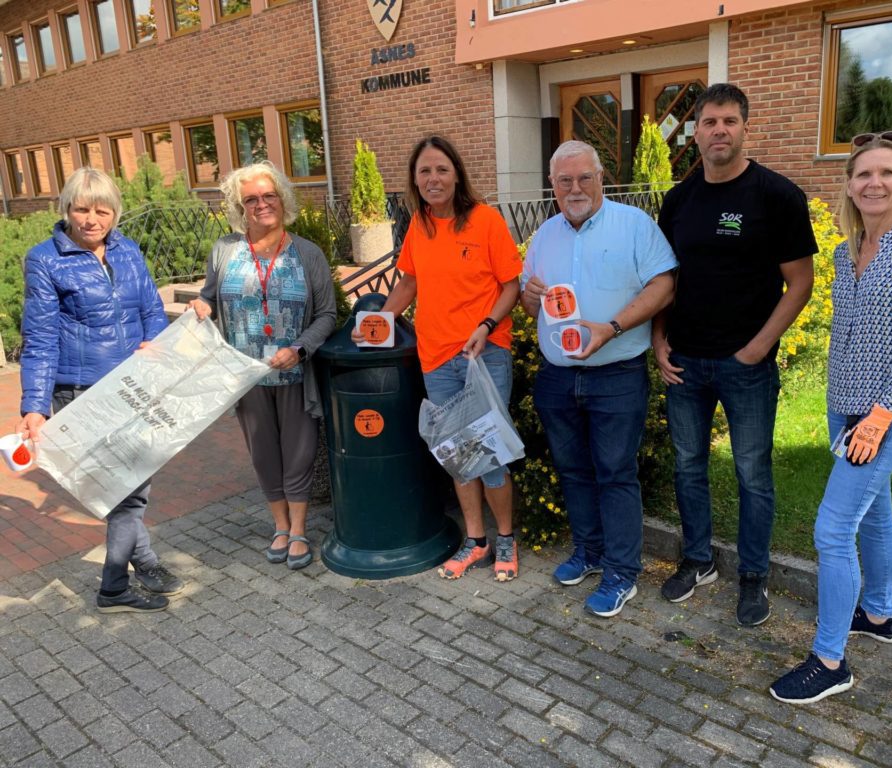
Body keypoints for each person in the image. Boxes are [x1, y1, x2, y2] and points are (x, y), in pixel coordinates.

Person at [770, 131, 892, 704]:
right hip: (843, 404)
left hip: (888, 412)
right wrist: (845, 409)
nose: (874, 183)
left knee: (833, 527)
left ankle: (829, 660)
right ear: (849, 185)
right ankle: (877, 615)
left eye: (886, 173)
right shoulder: (847, 249)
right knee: (874, 515)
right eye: (863, 174)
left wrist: (876, 419)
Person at [653, 83, 817, 626]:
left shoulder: (776, 196)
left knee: (752, 474)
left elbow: (799, 282)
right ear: (694, 131)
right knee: (689, 467)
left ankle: (753, 577)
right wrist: (659, 340)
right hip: (685, 364)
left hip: (744, 366)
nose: (718, 131)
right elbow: (664, 279)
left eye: (729, 121)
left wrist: (757, 347)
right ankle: (698, 561)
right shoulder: (678, 201)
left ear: (745, 127)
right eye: (708, 122)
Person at [352, 135, 522, 582]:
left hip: (484, 355)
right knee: (457, 454)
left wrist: (486, 326)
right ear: (415, 179)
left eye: (441, 169)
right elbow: (408, 284)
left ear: (457, 174)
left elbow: (511, 286)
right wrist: (378, 324)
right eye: (425, 171)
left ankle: (505, 538)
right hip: (435, 358)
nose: (433, 179)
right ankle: (476, 542)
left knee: (489, 452)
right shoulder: (419, 226)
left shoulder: (485, 221)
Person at [521, 140, 677, 618]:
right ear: (552, 185)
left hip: (617, 373)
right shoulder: (544, 235)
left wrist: (611, 328)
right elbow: (533, 305)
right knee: (573, 471)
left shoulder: (634, 225)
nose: (575, 188)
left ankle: (621, 573)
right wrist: (530, 296)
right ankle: (588, 553)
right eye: (564, 180)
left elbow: (665, 284)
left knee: (614, 474)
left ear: (601, 177)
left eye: (583, 177)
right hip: (557, 377)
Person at [18, 167, 182, 613]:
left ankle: (144, 563)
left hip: (132, 386)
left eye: (102, 210)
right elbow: (40, 338)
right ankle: (113, 587)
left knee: (124, 490)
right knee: (129, 493)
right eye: (81, 209)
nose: (92, 219)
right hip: (82, 390)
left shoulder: (128, 251)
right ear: (66, 209)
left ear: (114, 212)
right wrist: (35, 406)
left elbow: (150, 308)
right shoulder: (46, 260)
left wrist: (155, 343)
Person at [189, 161, 336, 570]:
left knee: (299, 453)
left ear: (282, 199)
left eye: (268, 196)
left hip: (294, 372)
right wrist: (202, 305)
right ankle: (280, 526)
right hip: (246, 375)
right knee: (263, 455)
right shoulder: (225, 251)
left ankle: (301, 529)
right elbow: (210, 298)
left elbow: (327, 314)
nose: (260, 205)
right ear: (240, 208)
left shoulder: (307, 253)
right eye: (250, 199)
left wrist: (302, 348)